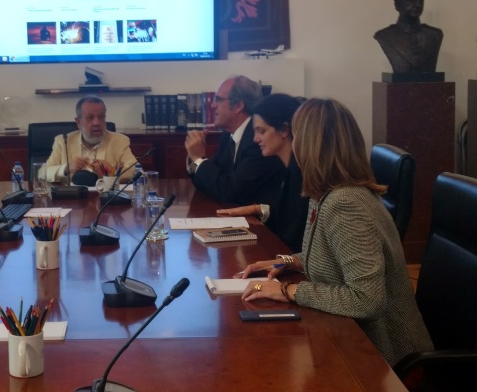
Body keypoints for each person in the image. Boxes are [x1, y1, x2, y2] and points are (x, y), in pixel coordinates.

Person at [237, 98, 433, 367]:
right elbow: (334, 256)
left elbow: (367, 300)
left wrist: (287, 290)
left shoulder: (345, 203)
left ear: (309, 145)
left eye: (296, 137)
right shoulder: (325, 194)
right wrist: (288, 261)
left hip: (385, 358)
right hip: (350, 339)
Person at [216, 93, 309, 252]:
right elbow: (292, 214)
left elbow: (296, 231)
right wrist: (259, 209)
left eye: (261, 131)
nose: (255, 139)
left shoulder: (301, 174)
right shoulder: (288, 168)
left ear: (284, 130)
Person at [185, 75, 283, 203]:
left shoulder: (258, 140)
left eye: (218, 100)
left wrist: (199, 159)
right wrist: (195, 158)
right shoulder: (228, 135)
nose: (213, 105)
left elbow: (229, 192)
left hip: (260, 220)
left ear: (238, 106)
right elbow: (209, 181)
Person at [44, 96, 137, 185]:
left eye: (101, 117)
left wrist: (112, 171)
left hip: (105, 198)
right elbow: (42, 173)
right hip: (71, 199)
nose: (97, 123)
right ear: (78, 122)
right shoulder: (63, 142)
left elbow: (137, 171)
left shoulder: (119, 141)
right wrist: (67, 168)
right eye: (90, 118)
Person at [373, 0, 443, 73]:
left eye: (421, 0)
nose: (418, 5)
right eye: (411, 0)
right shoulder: (385, 36)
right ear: (397, 4)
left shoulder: (434, 36)